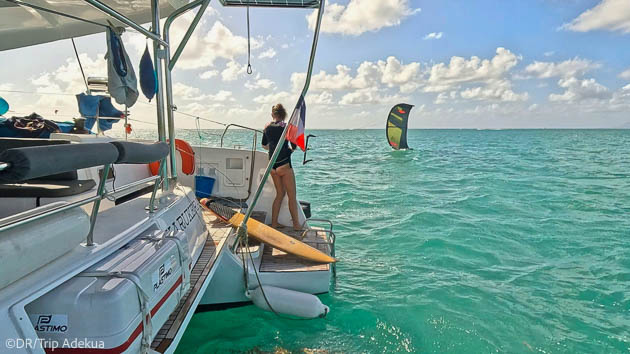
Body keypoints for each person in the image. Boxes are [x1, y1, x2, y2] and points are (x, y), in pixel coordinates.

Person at [262, 103, 301, 231]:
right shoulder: (287, 127)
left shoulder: (267, 127)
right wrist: (290, 150)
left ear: (273, 114)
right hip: (284, 164)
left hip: (272, 166)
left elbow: (264, 145)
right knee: (291, 195)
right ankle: (296, 225)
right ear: (283, 114)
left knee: (279, 194)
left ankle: (274, 223)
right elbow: (294, 146)